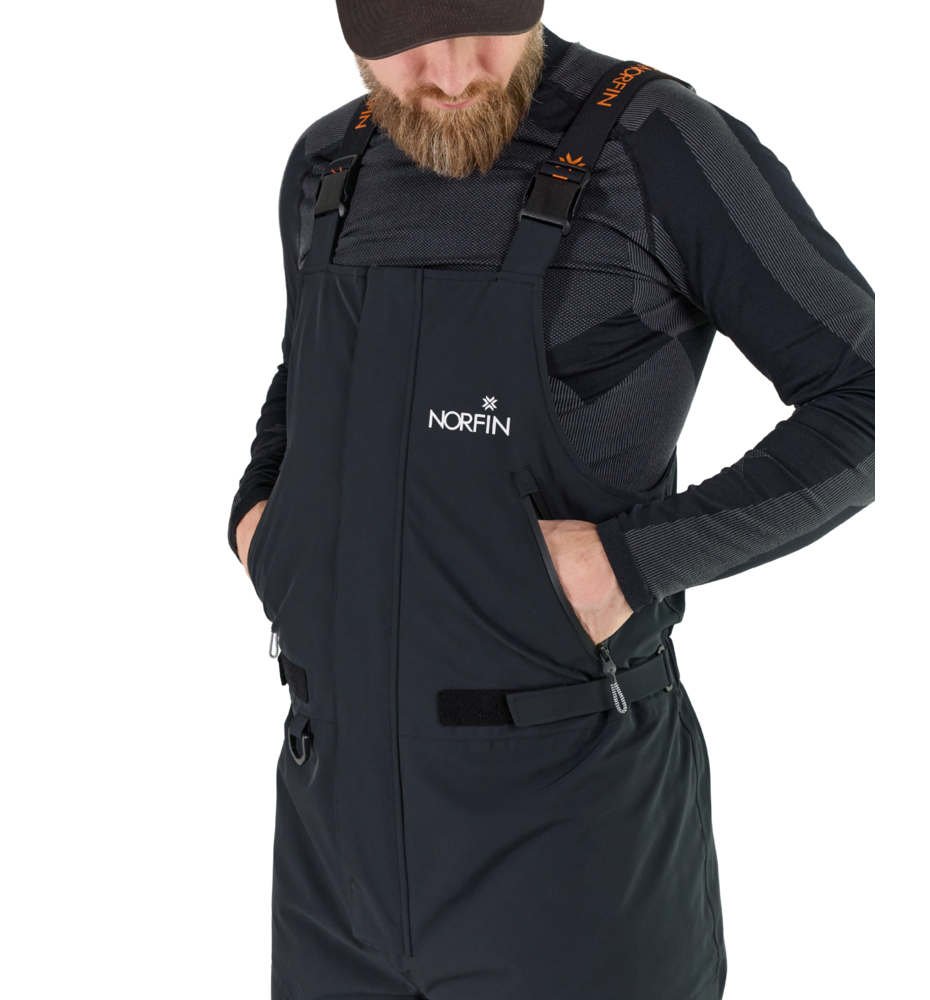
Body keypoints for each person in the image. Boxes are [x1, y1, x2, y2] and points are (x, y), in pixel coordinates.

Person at [229, 2, 875, 997]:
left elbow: (872, 396)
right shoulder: (328, 163)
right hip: (330, 845)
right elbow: (305, 367)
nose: (452, 74)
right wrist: (260, 517)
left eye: (481, 23)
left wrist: (631, 563)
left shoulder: (657, 146)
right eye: (406, 41)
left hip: (569, 844)